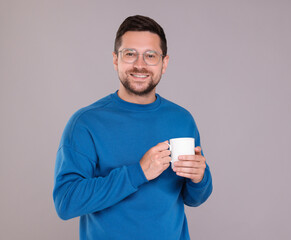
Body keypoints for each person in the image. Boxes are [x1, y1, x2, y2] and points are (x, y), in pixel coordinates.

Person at [53, 15, 213, 240]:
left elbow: (194, 198)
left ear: (164, 63)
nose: (140, 64)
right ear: (115, 60)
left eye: (150, 55)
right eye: (130, 54)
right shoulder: (85, 123)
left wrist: (200, 178)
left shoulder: (181, 119)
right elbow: (66, 202)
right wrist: (138, 172)